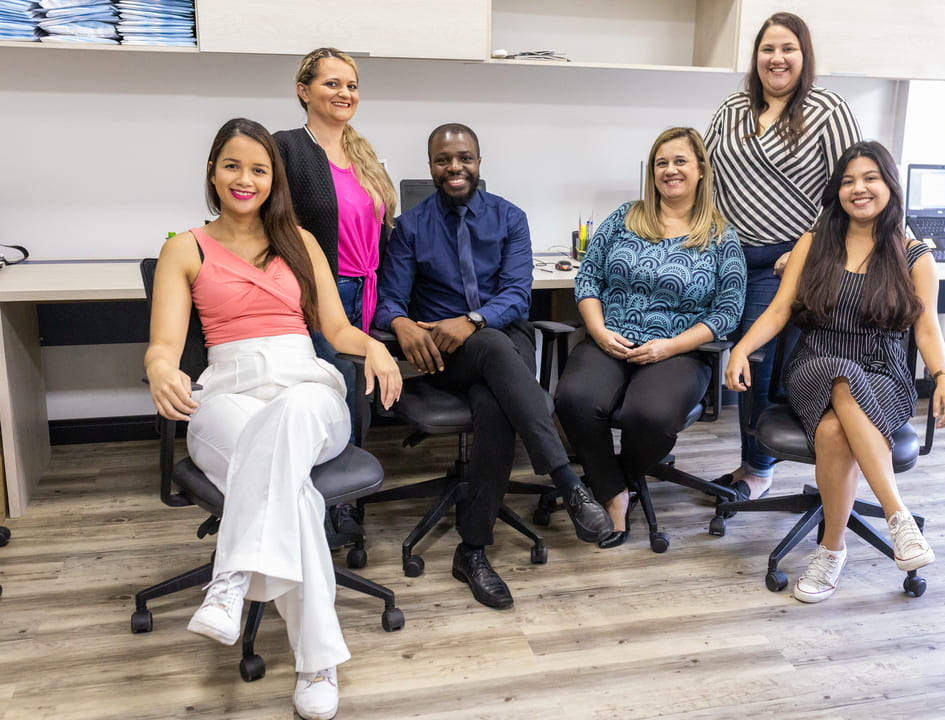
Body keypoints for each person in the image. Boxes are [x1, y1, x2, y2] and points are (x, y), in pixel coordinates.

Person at [145, 118, 402, 719]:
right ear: (213, 172)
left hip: (305, 386)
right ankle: (317, 663)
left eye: (259, 169)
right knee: (297, 498)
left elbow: (336, 329)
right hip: (227, 393)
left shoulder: (301, 242)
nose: (246, 179)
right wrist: (160, 371)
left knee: (293, 413)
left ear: (273, 179)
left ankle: (231, 578)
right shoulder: (184, 248)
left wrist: (374, 346)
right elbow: (164, 346)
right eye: (232, 165)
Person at [374, 123, 612, 609]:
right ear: (430, 167)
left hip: (503, 340)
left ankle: (473, 550)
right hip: (444, 355)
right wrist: (401, 324)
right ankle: (568, 482)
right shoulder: (410, 228)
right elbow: (389, 300)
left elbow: (518, 296)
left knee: (494, 394)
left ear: (479, 162)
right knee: (490, 351)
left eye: (464, 157)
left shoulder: (510, 218)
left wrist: (473, 320)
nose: (454, 167)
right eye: (443, 160)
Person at [723, 140, 945, 603]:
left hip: (883, 373)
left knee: (835, 431)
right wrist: (741, 349)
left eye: (870, 178)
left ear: (890, 186)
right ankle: (898, 517)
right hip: (816, 363)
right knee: (840, 374)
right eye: (849, 181)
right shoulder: (812, 244)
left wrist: (944, 379)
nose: (859, 189)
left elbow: (928, 330)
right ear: (837, 191)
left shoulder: (916, 256)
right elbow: (779, 310)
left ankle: (831, 551)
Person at [554, 127, 746, 548]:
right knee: (574, 399)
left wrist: (669, 346)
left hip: (678, 349)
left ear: (700, 170)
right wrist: (599, 330)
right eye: (661, 163)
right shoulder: (625, 217)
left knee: (652, 415)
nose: (670, 170)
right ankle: (615, 493)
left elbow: (728, 311)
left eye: (680, 161)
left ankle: (613, 479)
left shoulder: (720, 236)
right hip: (611, 338)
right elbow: (588, 277)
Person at [703, 12, 861, 503]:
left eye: (788, 48)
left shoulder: (827, 109)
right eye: (768, 49)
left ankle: (759, 468)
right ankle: (748, 460)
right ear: (756, 57)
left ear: (804, 55)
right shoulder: (732, 109)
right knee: (739, 358)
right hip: (729, 256)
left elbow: (848, 186)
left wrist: (804, 249)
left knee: (757, 360)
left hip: (787, 261)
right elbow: (707, 177)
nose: (777, 58)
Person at [274, 47, 398, 546]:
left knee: (354, 395)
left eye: (351, 85)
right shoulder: (286, 148)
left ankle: (343, 499)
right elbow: (273, 225)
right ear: (303, 91)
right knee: (333, 389)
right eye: (331, 84)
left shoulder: (364, 155)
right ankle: (317, 504)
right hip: (317, 293)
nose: (344, 93)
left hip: (365, 291)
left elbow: (382, 229)